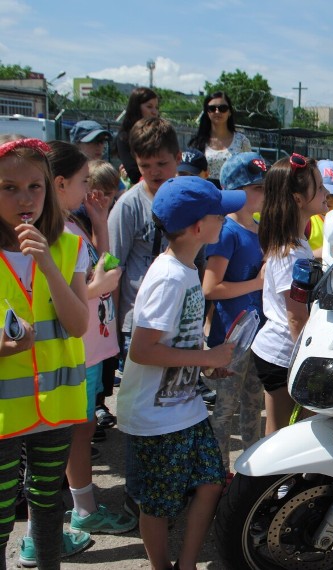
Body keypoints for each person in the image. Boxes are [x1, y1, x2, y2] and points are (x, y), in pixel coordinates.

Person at [116, 176, 242, 570]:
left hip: (184, 408)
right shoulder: (170, 276)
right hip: (155, 419)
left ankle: (185, 565)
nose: (226, 217)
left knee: (210, 482)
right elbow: (142, 349)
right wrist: (208, 359)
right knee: (158, 504)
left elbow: (179, 342)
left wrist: (205, 362)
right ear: (197, 227)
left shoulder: (186, 268)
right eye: (219, 213)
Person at [0, 137, 91, 569]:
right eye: (9, 188)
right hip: (3, 412)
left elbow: (78, 325)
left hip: (54, 405)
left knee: (48, 506)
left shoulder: (68, 246)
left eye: (34, 187)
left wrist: (49, 266)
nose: (25, 198)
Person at [47, 142, 137, 538]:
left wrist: (100, 223)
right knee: (69, 435)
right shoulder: (51, 232)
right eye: (84, 182)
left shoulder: (73, 223)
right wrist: (96, 286)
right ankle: (73, 513)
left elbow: (104, 263)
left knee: (81, 431)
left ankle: (80, 506)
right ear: (60, 183)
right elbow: (52, 299)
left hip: (91, 346)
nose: (89, 190)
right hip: (76, 349)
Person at [107, 117, 187, 516]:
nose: (155, 174)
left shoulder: (185, 199)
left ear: (178, 158)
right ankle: (137, 491)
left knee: (171, 405)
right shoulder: (128, 206)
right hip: (136, 325)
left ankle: (167, 484)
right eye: (146, 167)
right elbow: (114, 265)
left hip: (178, 322)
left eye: (162, 165)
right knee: (140, 411)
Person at [251, 154, 328, 434]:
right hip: (281, 354)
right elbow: (295, 316)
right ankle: (270, 478)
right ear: (297, 198)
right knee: (280, 433)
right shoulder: (291, 252)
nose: (325, 192)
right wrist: (310, 360)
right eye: (318, 187)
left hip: (281, 350)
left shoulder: (297, 242)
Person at [202, 152, 267, 476]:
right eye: (258, 187)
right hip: (230, 340)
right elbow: (211, 287)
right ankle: (217, 475)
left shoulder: (260, 229)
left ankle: (249, 473)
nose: (264, 194)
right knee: (225, 411)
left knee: (253, 409)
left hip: (259, 338)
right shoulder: (226, 231)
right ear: (238, 192)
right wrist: (257, 281)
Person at [87, 160, 123, 443]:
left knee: (102, 377)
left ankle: (97, 409)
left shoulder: (98, 215)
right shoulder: (76, 220)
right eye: (103, 191)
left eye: (112, 192)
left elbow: (107, 261)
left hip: (102, 318)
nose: (107, 199)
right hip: (89, 322)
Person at [189, 91, 252, 188]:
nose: (217, 112)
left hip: (233, 194)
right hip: (205, 193)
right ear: (207, 112)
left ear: (229, 112)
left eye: (223, 108)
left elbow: (249, 171)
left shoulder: (242, 141)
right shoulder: (197, 143)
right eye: (212, 108)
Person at [116, 87, 159, 185]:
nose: (154, 112)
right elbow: (134, 174)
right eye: (149, 106)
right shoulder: (124, 137)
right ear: (136, 108)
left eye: (156, 107)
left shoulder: (160, 134)